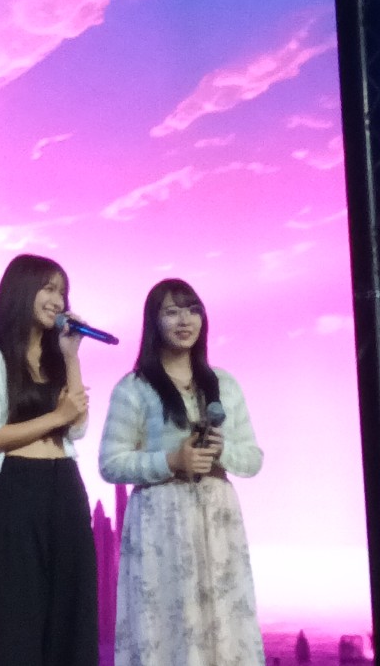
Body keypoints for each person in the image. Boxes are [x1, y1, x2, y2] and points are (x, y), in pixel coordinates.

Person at [97, 278, 264, 665]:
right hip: (161, 520)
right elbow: (110, 462)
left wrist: (223, 451)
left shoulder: (224, 384)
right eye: (171, 312)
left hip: (218, 518)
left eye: (192, 310)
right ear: (153, 322)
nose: (184, 320)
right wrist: (171, 461)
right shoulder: (134, 388)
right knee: (166, 630)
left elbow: (253, 459)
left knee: (225, 628)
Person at [0, 253, 97, 666]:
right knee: (16, 617)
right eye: (48, 288)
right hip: (17, 489)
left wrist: (72, 356)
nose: (58, 300)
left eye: (62, 292)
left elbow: (76, 429)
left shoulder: (59, 358)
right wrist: (56, 416)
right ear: (22, 291)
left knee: (71, 618)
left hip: (65, 487)